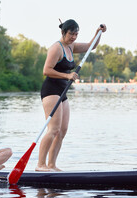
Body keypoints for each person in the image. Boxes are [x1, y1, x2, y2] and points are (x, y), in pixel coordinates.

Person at [37, 19, 107, 172]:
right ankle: (40, 165)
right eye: (71, 34)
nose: (74, 37)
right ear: (64, 32)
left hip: (63, 91)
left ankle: (51, 165)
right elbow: (46, 70)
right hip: (51, 90)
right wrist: (67, 76)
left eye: (76, 34)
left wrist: (98, 33)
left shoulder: (71, 46)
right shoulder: (56, 48)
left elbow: (91, 46)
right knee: (53, 129)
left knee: (62, 131)